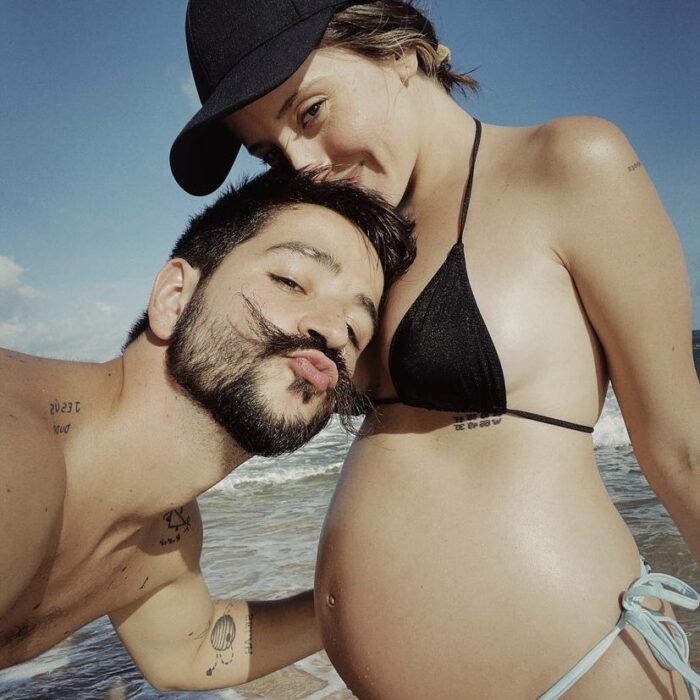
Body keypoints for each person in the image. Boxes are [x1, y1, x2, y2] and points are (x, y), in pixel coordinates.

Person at [170, 0, 700, 698]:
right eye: (271, 153)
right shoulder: (349, 252)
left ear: (399, 51)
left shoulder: (568, 163)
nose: (300, 164)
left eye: (309, 113)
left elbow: (680, 448)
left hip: (578, 673)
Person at [0, 168, 415, 691]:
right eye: (291, 281)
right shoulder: (16, 454)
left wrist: (356, 600)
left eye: (356, 329)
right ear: (175, 298)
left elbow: (191, 652)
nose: (333, 330)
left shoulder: (165, 533)